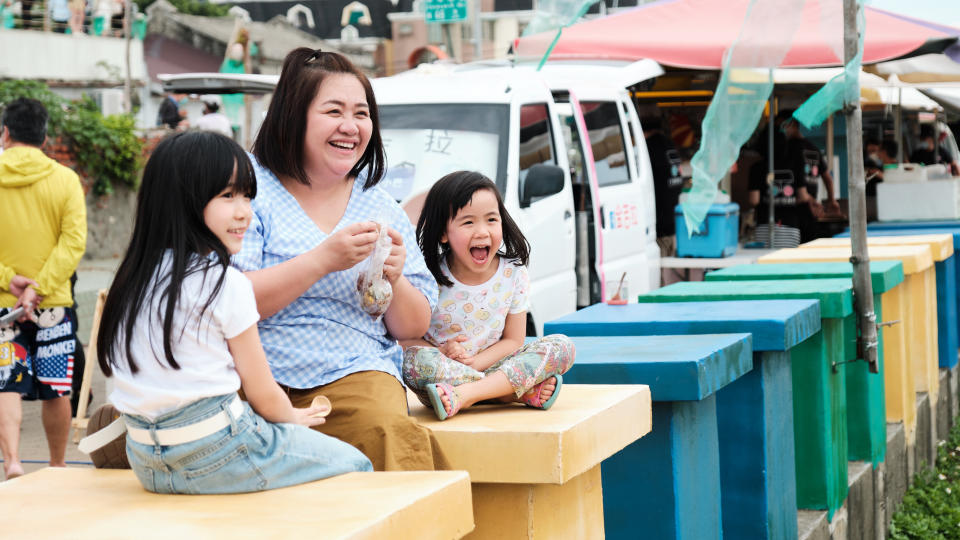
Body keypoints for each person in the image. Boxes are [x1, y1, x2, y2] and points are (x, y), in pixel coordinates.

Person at [95, 131, 372, 494]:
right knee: (356, 465)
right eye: (228, 196)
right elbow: (263, 395)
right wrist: (293, 419)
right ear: (183, 200)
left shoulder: (132, 280)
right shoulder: (225, 283)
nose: (244, 212)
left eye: (247, 196)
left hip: (147, 460)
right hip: (219, 452)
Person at [232, 48, 447, 471]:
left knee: (386, 430)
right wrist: (321, 260)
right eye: (334, 111)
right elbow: (230, 299)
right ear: (294, 115)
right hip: (252, 370)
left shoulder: (381, 204)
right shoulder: (247, 190)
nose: (350, 127)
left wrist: (395, 278)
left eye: (362, 114)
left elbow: (413, 326)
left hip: (352, 372)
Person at [400, 171, 575, 420]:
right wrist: (442, 352)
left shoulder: (513, 273)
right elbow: (408, 339)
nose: (482, 231)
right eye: (468, 222)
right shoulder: (427, 276)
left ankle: (469, 394)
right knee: (414, 361)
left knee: (563, 346)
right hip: (446, 373)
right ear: (443, 232)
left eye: (491, 219)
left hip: (485, 370)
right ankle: (510, 392)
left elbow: (514, 341)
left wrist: (474, 363)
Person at [0, 98, 87, 480]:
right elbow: (73, 243)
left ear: (5, 133)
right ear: (45, 137)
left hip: (4, 304)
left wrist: (9, 280)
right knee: (56, 386)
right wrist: (41, 288)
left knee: (6, 382)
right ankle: (57, 465)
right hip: (53, 305)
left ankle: (14, 462)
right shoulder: (65, 180)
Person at [644, 116, 684, 259]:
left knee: (660, 271)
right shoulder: (670, 145)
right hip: (673, 221)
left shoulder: (647, 148)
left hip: (659, 224)